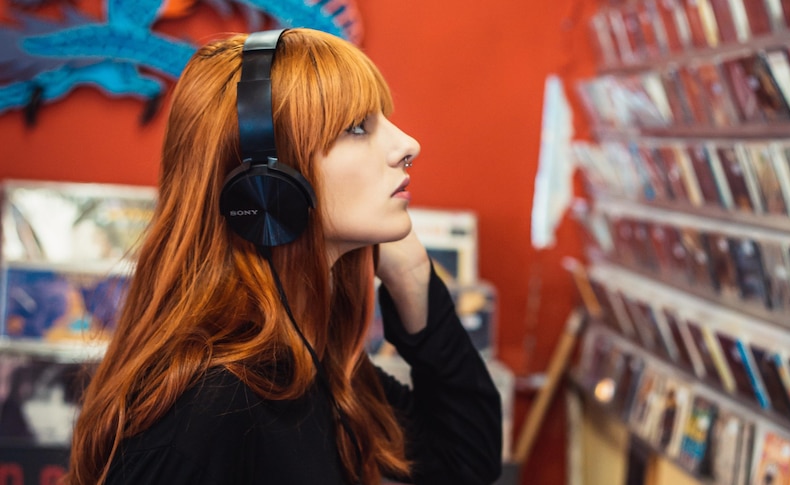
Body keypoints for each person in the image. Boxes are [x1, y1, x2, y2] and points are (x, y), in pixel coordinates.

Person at [66, 28, 502, 485]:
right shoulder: (207, 406)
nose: (408, 145)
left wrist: (412, 275)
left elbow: (467, 461)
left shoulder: (308, 360)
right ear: (268, 186)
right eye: (357, 128)